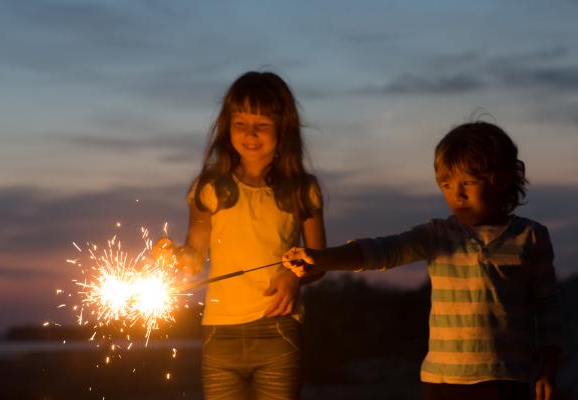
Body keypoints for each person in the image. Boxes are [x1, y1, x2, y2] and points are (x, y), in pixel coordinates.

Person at [283, 121, 562, 400]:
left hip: (506, 378)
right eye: (447, 184)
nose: (457, 193)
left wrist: (548, 369)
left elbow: (547, 308)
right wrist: (321, 258)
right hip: (442, 379)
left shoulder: (530, 237)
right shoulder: (437, 235)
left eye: (468, 182)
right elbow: (384, 250)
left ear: (500, 179)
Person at [153, 71, 326, 400]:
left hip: (278, 330)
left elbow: (320, 260)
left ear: (283, 127)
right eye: (240, 123)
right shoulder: (210, 188)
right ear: (226, 126)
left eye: (261, 124)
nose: (250, 134)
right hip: (219, 335)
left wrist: (295, 278)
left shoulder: (302, 190)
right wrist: (171, 255)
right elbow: (192, 261)